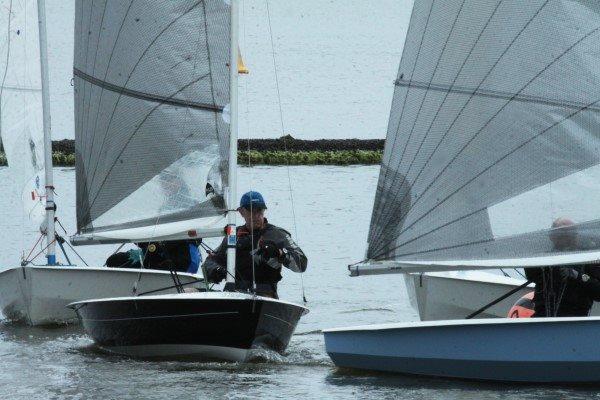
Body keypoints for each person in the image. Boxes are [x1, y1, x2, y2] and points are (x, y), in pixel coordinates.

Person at [202, 191, 307, 298]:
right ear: (241, 212)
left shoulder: (277, 235)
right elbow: (209, 262)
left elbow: (302, 264)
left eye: (259, 211)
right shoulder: (234, 236)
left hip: (265, 296)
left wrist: (280, 253)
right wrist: (217, 270)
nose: (256, 215)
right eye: (251, 211)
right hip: (233, 295)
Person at [524, 218, 600, 317]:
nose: (568, 238)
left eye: (571, 233)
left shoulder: (588, 259)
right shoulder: (542, 259)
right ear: (552, 237)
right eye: (561, 233)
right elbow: (531, 275)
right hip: (543, 317)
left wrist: (577, 275)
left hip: (576, 318)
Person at [106, 240, 201, 274]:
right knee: (113, 261)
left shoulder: (188, 248)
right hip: (153, 256)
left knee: (114, 261)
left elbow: (188, 267)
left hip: (181, 268)